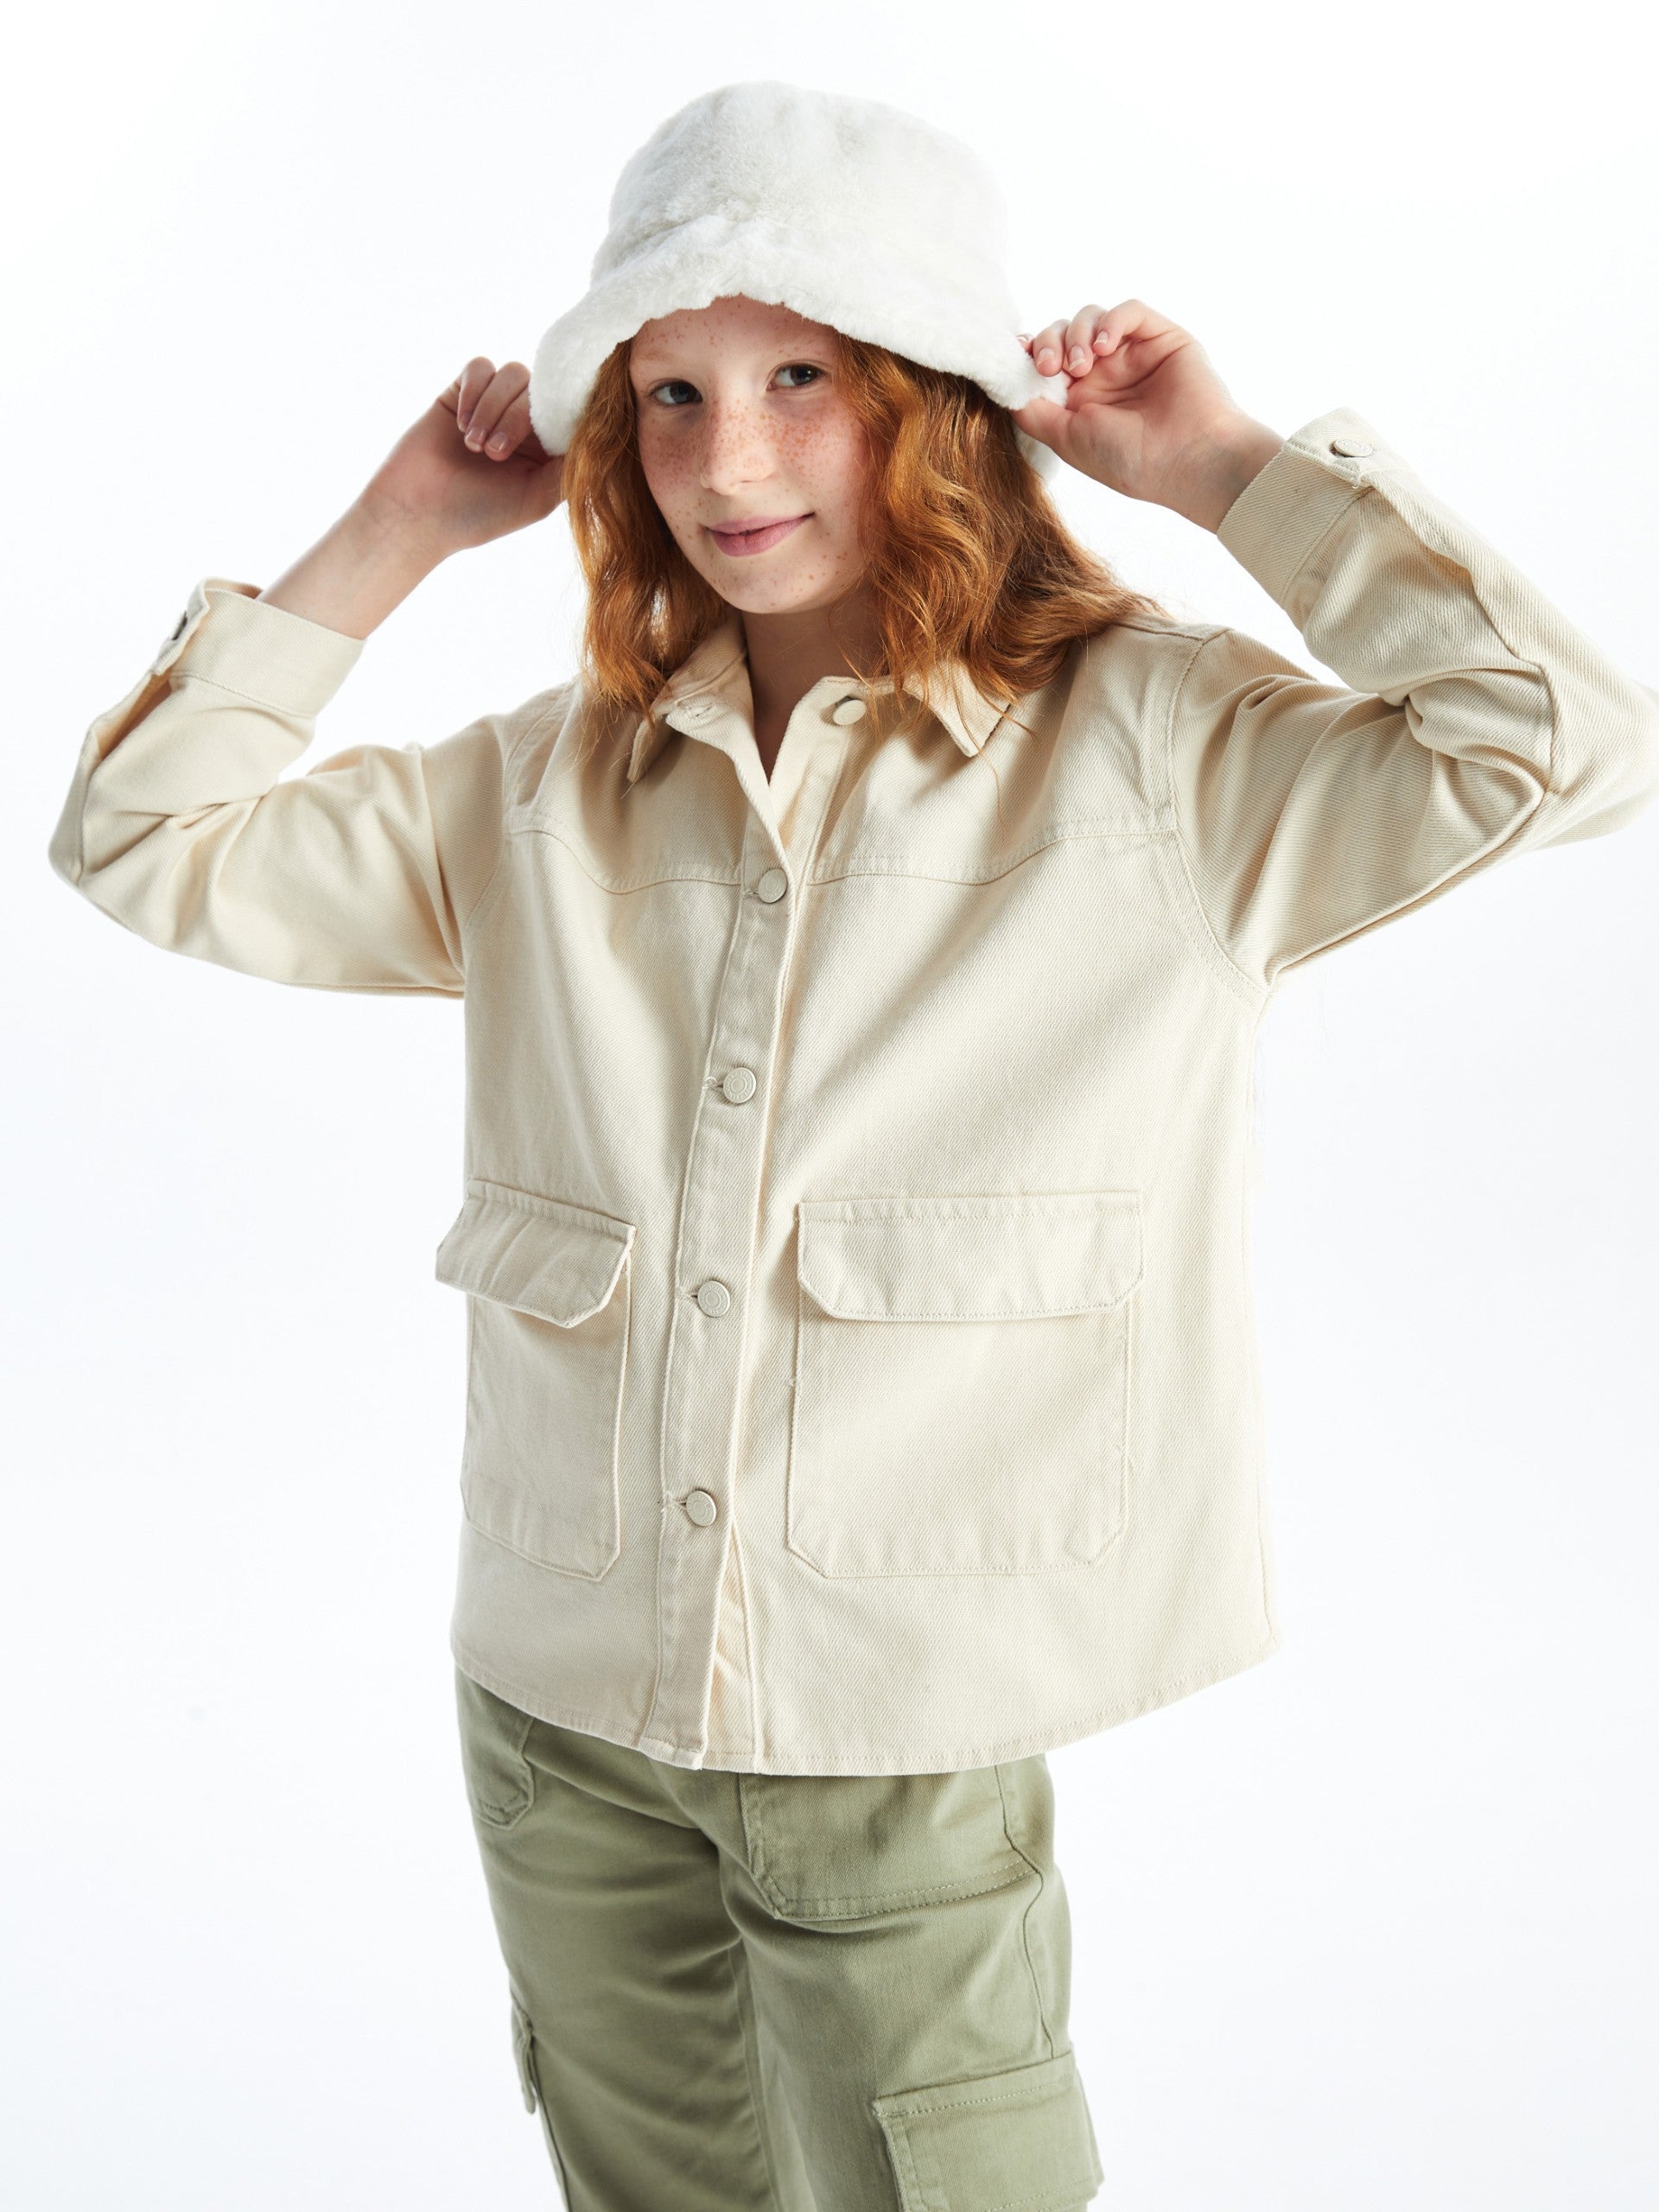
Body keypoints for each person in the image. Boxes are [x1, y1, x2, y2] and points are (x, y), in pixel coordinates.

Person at [48, 77, 1659, 2212]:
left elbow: (1556, 743)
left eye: (802, 378)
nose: (729, 460)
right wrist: (399, 528)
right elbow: (141, 839)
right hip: (558, 1712)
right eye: (671, 394)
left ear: (932, 398)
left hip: (898, 1724)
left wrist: (1231, 474)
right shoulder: (544, 791)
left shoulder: (1162, 750)